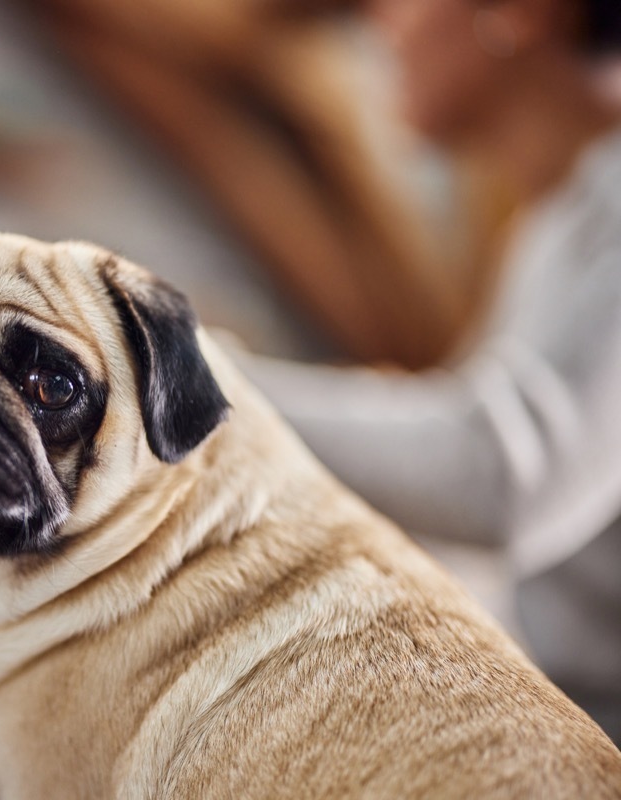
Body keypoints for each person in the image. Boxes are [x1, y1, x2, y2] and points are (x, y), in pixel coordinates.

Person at [236, 0, 621, 741]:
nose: (383, 22)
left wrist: (189, 374)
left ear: (524, 14)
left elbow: (503, 477)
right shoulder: (559, 220)